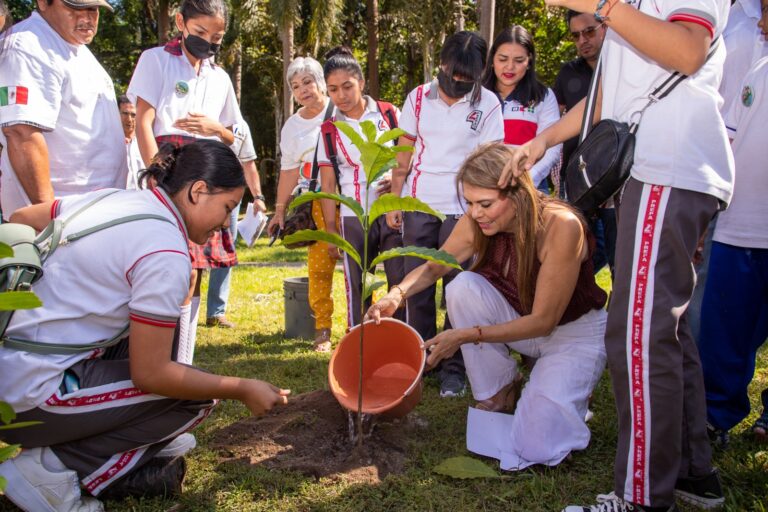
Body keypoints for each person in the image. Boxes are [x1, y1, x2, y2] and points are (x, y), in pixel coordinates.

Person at [506, 0, 734, 510]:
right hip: (657, 173)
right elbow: (606, 100)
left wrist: (600, 6)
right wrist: (541, 141)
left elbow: (689, 50)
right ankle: (690, 473)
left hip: (668, 168)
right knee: (662, 331)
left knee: (638, 334)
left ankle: (640, 497)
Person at [0, 140, 289, 512]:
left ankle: (105, 439)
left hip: (14, 358)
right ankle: (48, 469)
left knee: (160, 348)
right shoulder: (165, 251)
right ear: (198, 191)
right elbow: (151, 374)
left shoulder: (112, 199)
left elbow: (22, 218)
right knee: (192, 399)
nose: (224, 224)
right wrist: (241, 387)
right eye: (228, 207)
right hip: (27, 393)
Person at [367, 142, 607, 470]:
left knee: (536, 447)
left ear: (518, 193)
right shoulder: (478, 221)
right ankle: (501, 388)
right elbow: (437, 266)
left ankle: (566, 393)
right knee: (463, 286)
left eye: (485, 203)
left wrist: (465, 336)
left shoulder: (561, 226)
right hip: (520, 319)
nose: (475, 213)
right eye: (469, 203)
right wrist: (397, 293)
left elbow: (544, 322)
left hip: (570, 333)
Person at [387, 31, 505, 398]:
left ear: (480, 72)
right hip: (419, 203)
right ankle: (420, 361)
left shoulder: (488, 104)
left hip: (464, 210)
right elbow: (403, 154)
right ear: (441, 63)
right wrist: (395, 199)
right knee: (416, 288)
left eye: (466, 78)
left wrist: (481, 208)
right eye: (452, 73)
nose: (457, 82)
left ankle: (454, 369)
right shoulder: (418, 98)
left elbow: (490, 158)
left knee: (458, 290)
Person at [127, 0, 239, 365]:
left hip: (207, 174)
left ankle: (184, 358)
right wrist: (156, 177)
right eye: (201, 33)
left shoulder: (219, 77)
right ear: (181, 22)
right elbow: (144, 122)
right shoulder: (155, 60)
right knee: (166, 264)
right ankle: (152, 355)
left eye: (216, 36)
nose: (208, 42)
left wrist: (214, 128)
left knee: (195, 269)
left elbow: (231, 134)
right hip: (168, 170)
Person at [697, 2, 768, 445]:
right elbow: (729, 140)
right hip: (740, 226)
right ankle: (713, 416)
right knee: (724, 328)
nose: (761, 21)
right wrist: (708, 217)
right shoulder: (757, 71)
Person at [0, 0, 126, 221]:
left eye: (94, 9)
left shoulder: (76, 49)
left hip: (91, 212)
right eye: (75, 8)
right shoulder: (27, 46)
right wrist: (50, 216)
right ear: (43, 3)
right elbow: (20, 132)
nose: (87, 18)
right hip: (62, 218)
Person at [317, 46, 405, 329]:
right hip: (353, 218)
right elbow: (328, 183)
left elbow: (410, 156)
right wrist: (331, 229)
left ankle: (402, 342)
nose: (341, 95)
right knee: (357, 285)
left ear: (361, 83)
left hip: (392, 212)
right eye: (332, 90)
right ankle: (360, 344)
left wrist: (398, 180)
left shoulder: (389, 114)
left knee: (399, 282)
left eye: (347, 86)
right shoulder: (329, 129)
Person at [267, 56, 337, 351]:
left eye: (307, 82)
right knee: (320, 268)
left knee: (360, 265)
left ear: (321, 82)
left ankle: (360, 325)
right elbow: (288, 171)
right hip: (316, 202)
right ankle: (322, 328)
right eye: (296, 86)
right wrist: (279, 209)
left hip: (350, 199)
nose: (303, 90)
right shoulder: (293, 126)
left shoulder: (342, 110)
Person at [553, 10, 616, 278]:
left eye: (589, 31)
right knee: (577, 251)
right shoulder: (568, 73)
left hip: (617, 177)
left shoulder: (622, 68)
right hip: (578, 178)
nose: (583, 40)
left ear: (606, 26)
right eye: (576, 35)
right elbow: (557, 117)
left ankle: (617, 315)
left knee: (617, 255)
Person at [483, 25, 562, 194]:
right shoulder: (477, 96)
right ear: (492, 60)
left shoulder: (544, 96)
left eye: (519, 61)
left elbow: (552, 147)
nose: (509, 67)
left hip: (530, 188)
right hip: (482, 187)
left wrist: (526, 180)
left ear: (529, 61)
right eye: (503, 59)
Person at [206, 118, 266, 329]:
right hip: (197, 193)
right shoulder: (197, 114)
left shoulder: (240, 125)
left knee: (224, 251)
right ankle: (181, 308)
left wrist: (258, 196)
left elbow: (248, 163)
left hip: (230, 196)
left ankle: (216, 311)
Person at [119, 95, 145, 190]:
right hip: (116, 197)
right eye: (125, 113)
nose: (129, 119)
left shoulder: (146, 144)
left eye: (133, 115)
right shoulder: (110, 143)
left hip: (142, 198)